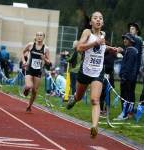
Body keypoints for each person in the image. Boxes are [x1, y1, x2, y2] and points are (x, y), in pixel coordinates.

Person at [66, 11, 118, 139]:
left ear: (103, 22)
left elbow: (101, 47)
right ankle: (75, 98)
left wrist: (109, 48)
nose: (98, 20)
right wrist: (96, 43)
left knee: (95, 100)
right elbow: (79, 48)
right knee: (79, 96)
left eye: (101, 18)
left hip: (98, 72)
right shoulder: (87, 32)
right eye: (95, 18)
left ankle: (94, 127)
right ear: (91, 22)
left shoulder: (103, 35)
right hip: (85, 71)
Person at [21, 31, 50, 112]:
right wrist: (23, 61)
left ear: (44, 37)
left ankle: (29, 106)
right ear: (36, 36)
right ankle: (26, 89)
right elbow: (22, 52)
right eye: (37, 35)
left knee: (35, 90)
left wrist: (44, 59)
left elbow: (48, 62)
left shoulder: (46, 49)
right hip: (29, 68)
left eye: (41, 35)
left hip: (38, 71)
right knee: (29, 86)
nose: (39, 37)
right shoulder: (31, 45)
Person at [119, 33, 138, 118]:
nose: (125, 40)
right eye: (124, 39)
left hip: (127, 78)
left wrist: (124, 76)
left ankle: (125, 114)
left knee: (124, 96)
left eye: (127, 39)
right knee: (128, 96)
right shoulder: (131, 50)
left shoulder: (131, 51)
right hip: (130, 77)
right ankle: (128, 113)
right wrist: (122, 51)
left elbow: (129, 66)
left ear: (131, 41)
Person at [128, 23, 143, 107]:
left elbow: (135, 54)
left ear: (137, 31)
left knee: (130, 88)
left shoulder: (137, 39)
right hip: (132, 67)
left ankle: (130, 109)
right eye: (130, 28)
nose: (131, 30)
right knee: (129, 88)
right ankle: (129, 108)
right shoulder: (131, 39)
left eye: (133, 29)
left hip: (133, 67)